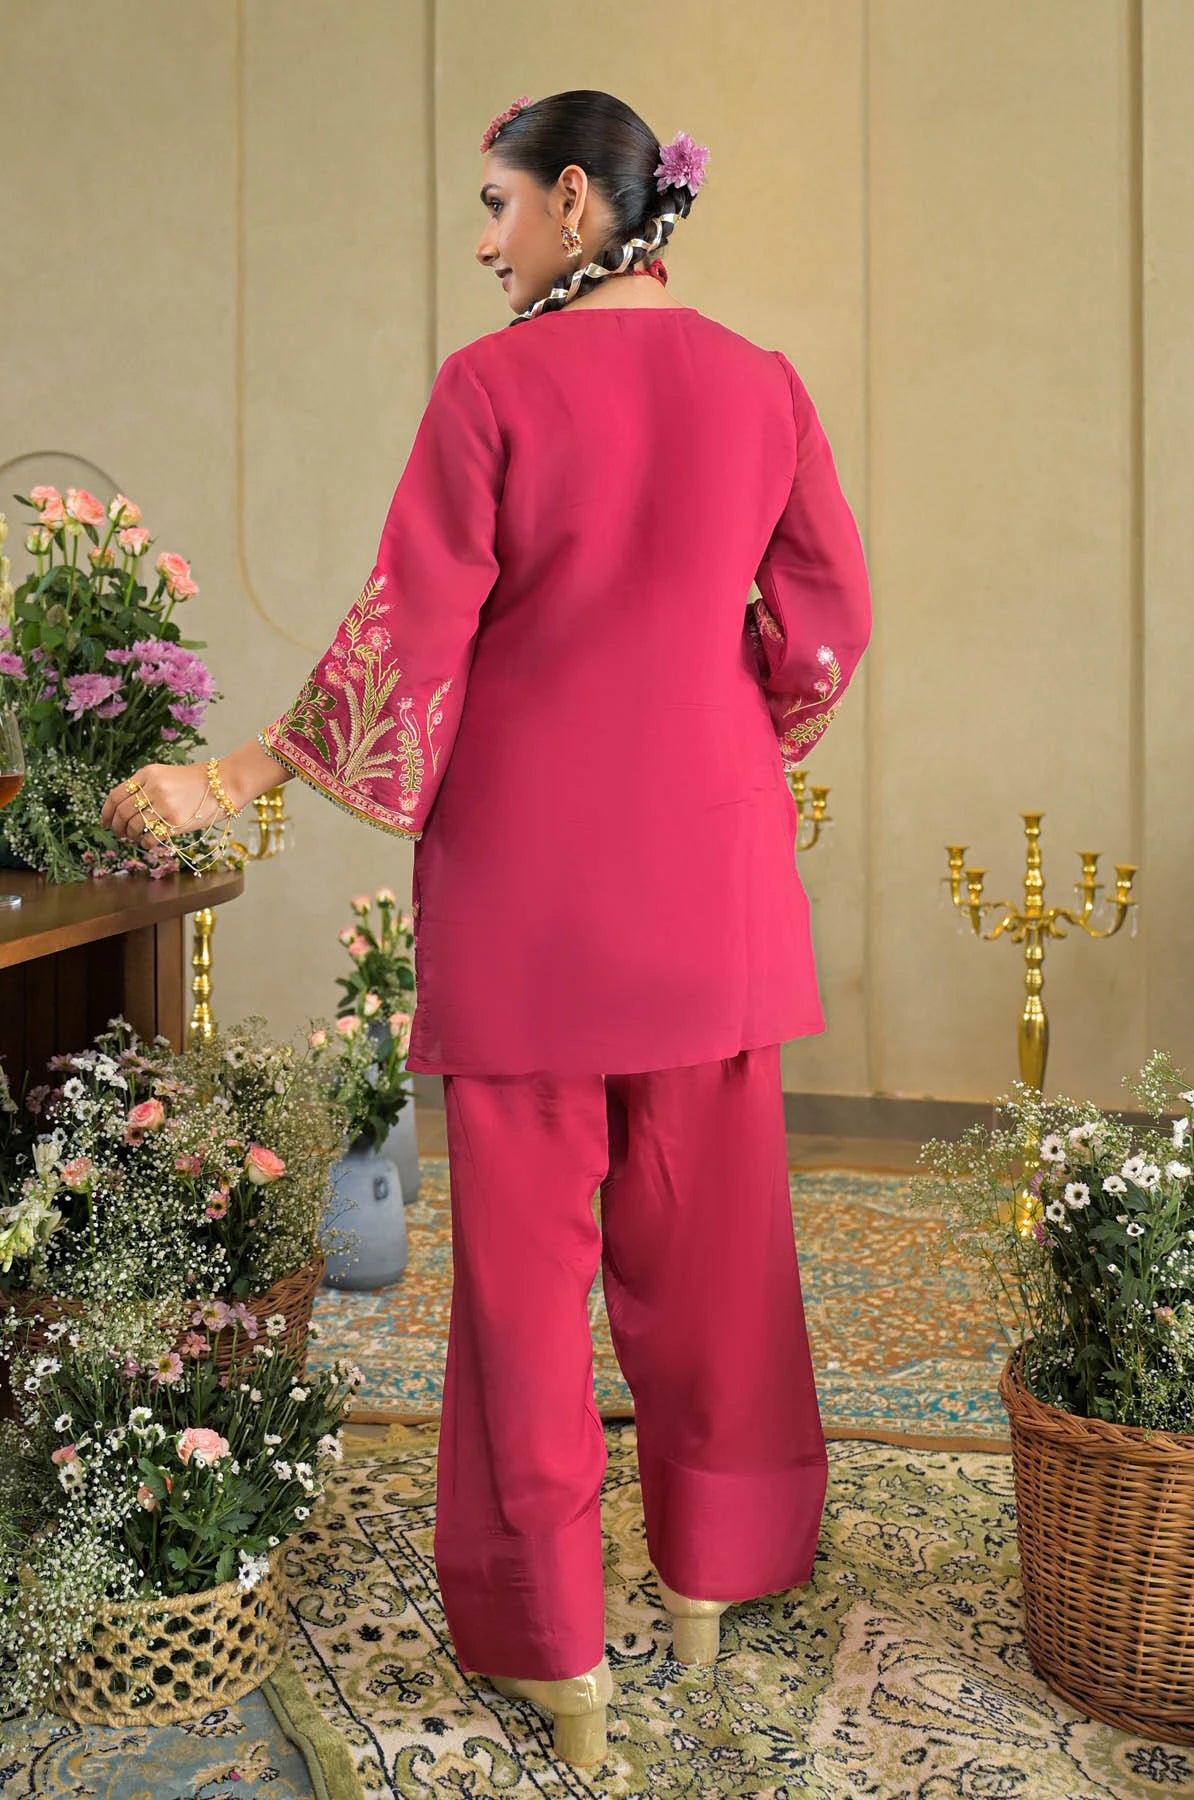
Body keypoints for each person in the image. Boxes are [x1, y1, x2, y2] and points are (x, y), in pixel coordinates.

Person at [101, 88, 872, 1768]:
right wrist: (735, 733)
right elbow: (828, 623)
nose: (485, 240)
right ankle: (707, 1588)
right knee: (719, 1263)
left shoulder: (495, 387)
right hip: (719, 893)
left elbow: (412, 626)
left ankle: (562, 1656)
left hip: (533, 896)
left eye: (501, 206)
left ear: (582, 205)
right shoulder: (767, 386)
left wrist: (241, 770)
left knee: (527, 1291)